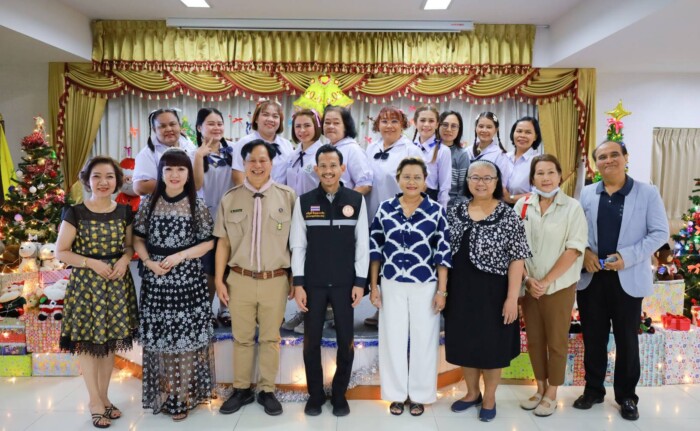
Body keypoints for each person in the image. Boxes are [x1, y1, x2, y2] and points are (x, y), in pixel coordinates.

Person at [574, 140, 668, 421]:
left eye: (614, 154)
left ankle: (627, 396)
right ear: (596, 164)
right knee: (593, 338)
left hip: (627, 278)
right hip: (592, 278)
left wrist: (627, 257)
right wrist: (585, 252)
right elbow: (576, 230)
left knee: (627, 340)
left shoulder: (647, 193)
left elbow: (659, 233)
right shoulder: (587, 193)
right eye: (602, 157)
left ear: (626, 157)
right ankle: (593, 390)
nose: (609, 160)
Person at [214, 140, 296, 416]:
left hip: (276, 279)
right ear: (244, 164)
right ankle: (241, 389)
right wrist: (219, 279)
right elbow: (223, 242)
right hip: (240, 279)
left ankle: (267, 390)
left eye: (263, 160)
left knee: (271, 338)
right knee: (242, 338)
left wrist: (295, 278)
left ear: (272, 164)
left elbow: (297, 243)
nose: (258, 166)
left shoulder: (288, 197)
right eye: (252, 160)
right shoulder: (230, 198)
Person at [444, 160, 531, 422]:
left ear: (496, 182)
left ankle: (489, 397)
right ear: (467, 181)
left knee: (493, 346)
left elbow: (517, 258)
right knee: (465, 342)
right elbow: (443, 252)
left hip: (494, 293)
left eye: (487, 178)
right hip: (460, 291)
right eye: (475, 177)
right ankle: (472, 393)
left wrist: (512, 298)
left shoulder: (508, 215)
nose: (480, 183)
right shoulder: (455, 211)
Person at [133, 148, 215, 422]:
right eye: (169, 169)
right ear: (161, 173)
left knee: (186, 339)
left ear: (189, 174)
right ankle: (170, 390)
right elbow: (138, 238)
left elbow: (208, 242)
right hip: (156, 280)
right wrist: (148, 262)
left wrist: (181, 256)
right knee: (163, 338)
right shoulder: (148, 203)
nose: (175, 174)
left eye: (181, 169)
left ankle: (182, 394)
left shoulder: (196, 204)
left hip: (188, 280)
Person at [56, 156, 138, 429]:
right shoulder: (75, 212)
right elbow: (61, 252)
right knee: (89, 345)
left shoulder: (124, 212)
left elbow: (129, 247)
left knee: (109, 344)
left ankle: (104, 397)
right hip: (86, 286)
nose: (103, 182)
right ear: (87, 180)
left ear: (118, 181)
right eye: (97, 176)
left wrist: (124, 260)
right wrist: (91, 263)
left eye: (109, 177)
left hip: (116, 283)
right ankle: (94, 401)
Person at [290, 144, 369, 417]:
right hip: (313, 284)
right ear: (316, 169)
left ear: (342, 168)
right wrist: (298, 283)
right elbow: (298, 245)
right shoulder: (304, 201)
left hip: (345, 284)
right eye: (322, 166)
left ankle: (338, 395)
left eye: (333, 165)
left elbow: (362, 244)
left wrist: (360, 282)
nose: (328, 171)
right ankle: (315, 395)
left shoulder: (356, 200)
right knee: (311, 342)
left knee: (346, 341)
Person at [369, 157, 452, 417]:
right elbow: (375, 250)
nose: (412, 182)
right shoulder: (385, 208)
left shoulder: (436, 211)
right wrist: (374, 286)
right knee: (391, 339)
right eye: (406, 177)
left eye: (417, 177)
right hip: (391, 282)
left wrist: (442, 291)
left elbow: (443, 254)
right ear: (398, 179)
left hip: (425, 284)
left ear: (425, 181)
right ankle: (395, 395)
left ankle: (420, 395)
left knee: (424, 341)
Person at [513, 154, 587, 417]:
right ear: (532, 178)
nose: (545, 178)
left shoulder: (572, 207)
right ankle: (540, 387)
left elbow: (574, 249)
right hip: (529, 286)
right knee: (534, 340)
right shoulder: (522, 205)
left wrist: (545, 281)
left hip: (558, 286)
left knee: (556, 341)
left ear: (559, 175)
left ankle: (552, 392)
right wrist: (527, 280)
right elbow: (515, 247)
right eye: (540, 173)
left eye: (550, 172)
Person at [363, 106, 422, 327]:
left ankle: (400, 312)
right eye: (384, 121)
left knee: (397, 264)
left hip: (400, 217)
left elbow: (418, 184)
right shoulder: (371, 148)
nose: (389, 126)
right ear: (377, 125)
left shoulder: (410, 150)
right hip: (373, 215)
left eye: (394, 121)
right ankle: (381, 308)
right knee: (377, 263)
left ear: (403, 124)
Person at [192, 107, 234, 328]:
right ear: (200, 128)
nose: (216, 127)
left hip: (230, 219)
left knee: (228, 267)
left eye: (219, 123)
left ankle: (225, 309)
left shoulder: (233, 152)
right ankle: (205, 310)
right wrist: (199, 156)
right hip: (204, 220)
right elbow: (196, 185)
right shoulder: (193, 154)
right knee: (207, 269)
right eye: (210, 123)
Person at [133, 108, 197, 196]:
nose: (169, 129)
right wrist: (179, 183)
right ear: (154, 130)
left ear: (179, 125)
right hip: (159, 203)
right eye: (162, 126)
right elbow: (139, 187)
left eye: (172, 124)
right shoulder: (147, 153)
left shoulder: (188, 143)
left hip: (189, 201)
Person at [231, 99, 294, 186]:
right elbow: (238, 177)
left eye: (275, 116)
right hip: (252, 193)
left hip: (281, 193)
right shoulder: (244, 143)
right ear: (256, 119)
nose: (270, 119)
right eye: (265, 115)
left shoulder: (287, 145)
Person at [322, 106, 373, 195]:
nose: (330, 126)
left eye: (336, 123)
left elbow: (365, 185)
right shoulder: (325, 148)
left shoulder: (353, 149)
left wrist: (346, 201)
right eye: (327, 122)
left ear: (346, 126)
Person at [412, 106, 451, 207]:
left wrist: (442, 211)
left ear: (437, 124)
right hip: (407, 198)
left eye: (431, 121)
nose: (426, 124)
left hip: (430, 200)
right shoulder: (408, 147)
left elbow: (444, 187)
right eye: (422, 120)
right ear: (415, 123)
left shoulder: (443, 151)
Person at [465, 112, 512, 191]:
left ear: (496, 130)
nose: (484, 130)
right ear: (475, 128)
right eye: (481, 126)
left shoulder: (500, 155)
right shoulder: (467, 151)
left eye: (489, 127)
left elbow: (502, 184)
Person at [504, 117, 542, 205]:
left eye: (528, 132)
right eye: (519, 131)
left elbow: (539, 193)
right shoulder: (504, 157)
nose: (522, 135)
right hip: (500, 207)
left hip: (527, 207)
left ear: (535, 137)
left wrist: (511, 198)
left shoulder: (539, 161)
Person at [286, 109, 323, 196]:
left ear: (316, 126)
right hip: (291, 203)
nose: (302, 130)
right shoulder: (292, 155)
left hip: (314, 204)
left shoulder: (323, 155)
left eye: (307, 125)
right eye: (298, 126)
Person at [437, 110, 470, 207]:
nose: (448, 129)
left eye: (454, 126)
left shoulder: (462, 155)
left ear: (459, 129)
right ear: (437, 126)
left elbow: (463, 190)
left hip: (451, 207)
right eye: (445, 125)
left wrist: (455, 210)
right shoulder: (429, 150)